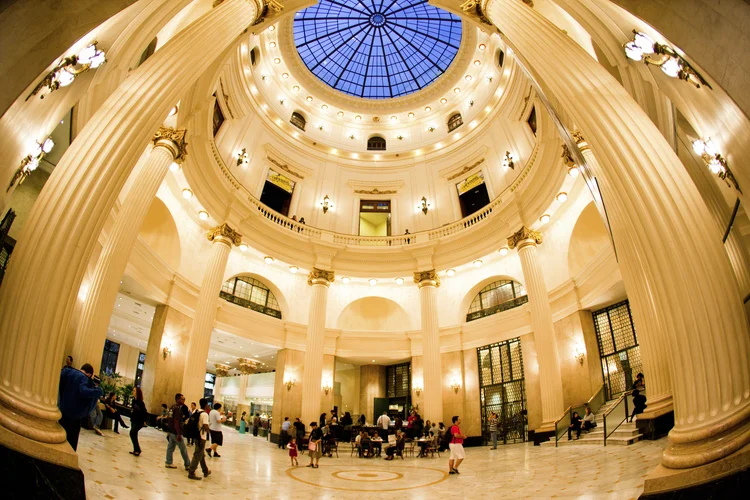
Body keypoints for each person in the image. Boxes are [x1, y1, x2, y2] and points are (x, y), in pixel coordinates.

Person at [57, 363, 103, 451]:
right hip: (74, 416)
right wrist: (98, 391)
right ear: (89, 374)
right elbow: (83, 391)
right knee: (71, 441)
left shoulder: (69, 372)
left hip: (63, 411)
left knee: (60, 435)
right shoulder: (84, 378)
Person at [187, 398, 211, 480]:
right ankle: (191, 472)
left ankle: (205, 471)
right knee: (197, 454)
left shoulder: (196, 411)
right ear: (206, 404)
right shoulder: (205, 414)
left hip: (196, 435)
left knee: (201, 454)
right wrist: (209, 431)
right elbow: (205, 426)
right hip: (202, 437)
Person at [165, 393, 190, 470]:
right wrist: (179, 433)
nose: (183, 400)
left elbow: (169, 419)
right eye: (182, 399)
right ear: (178, 399)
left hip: (171, 431)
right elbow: (176, 421)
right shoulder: (178, 409)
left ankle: (168, 462)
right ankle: (188, 464)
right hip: (176, 432)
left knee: (170, 447)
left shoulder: (172, 407)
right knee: (183, 448)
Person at [129, 387, 148, 456]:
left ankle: (137, 449)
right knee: (134, 434)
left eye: (134, 391)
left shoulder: (141, 402)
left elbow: (144, 412)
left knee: (132, 433)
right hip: (134, 419)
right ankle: (136, 450)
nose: (133, 392)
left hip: (139, 421)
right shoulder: (133, 400)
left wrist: (144, 421)